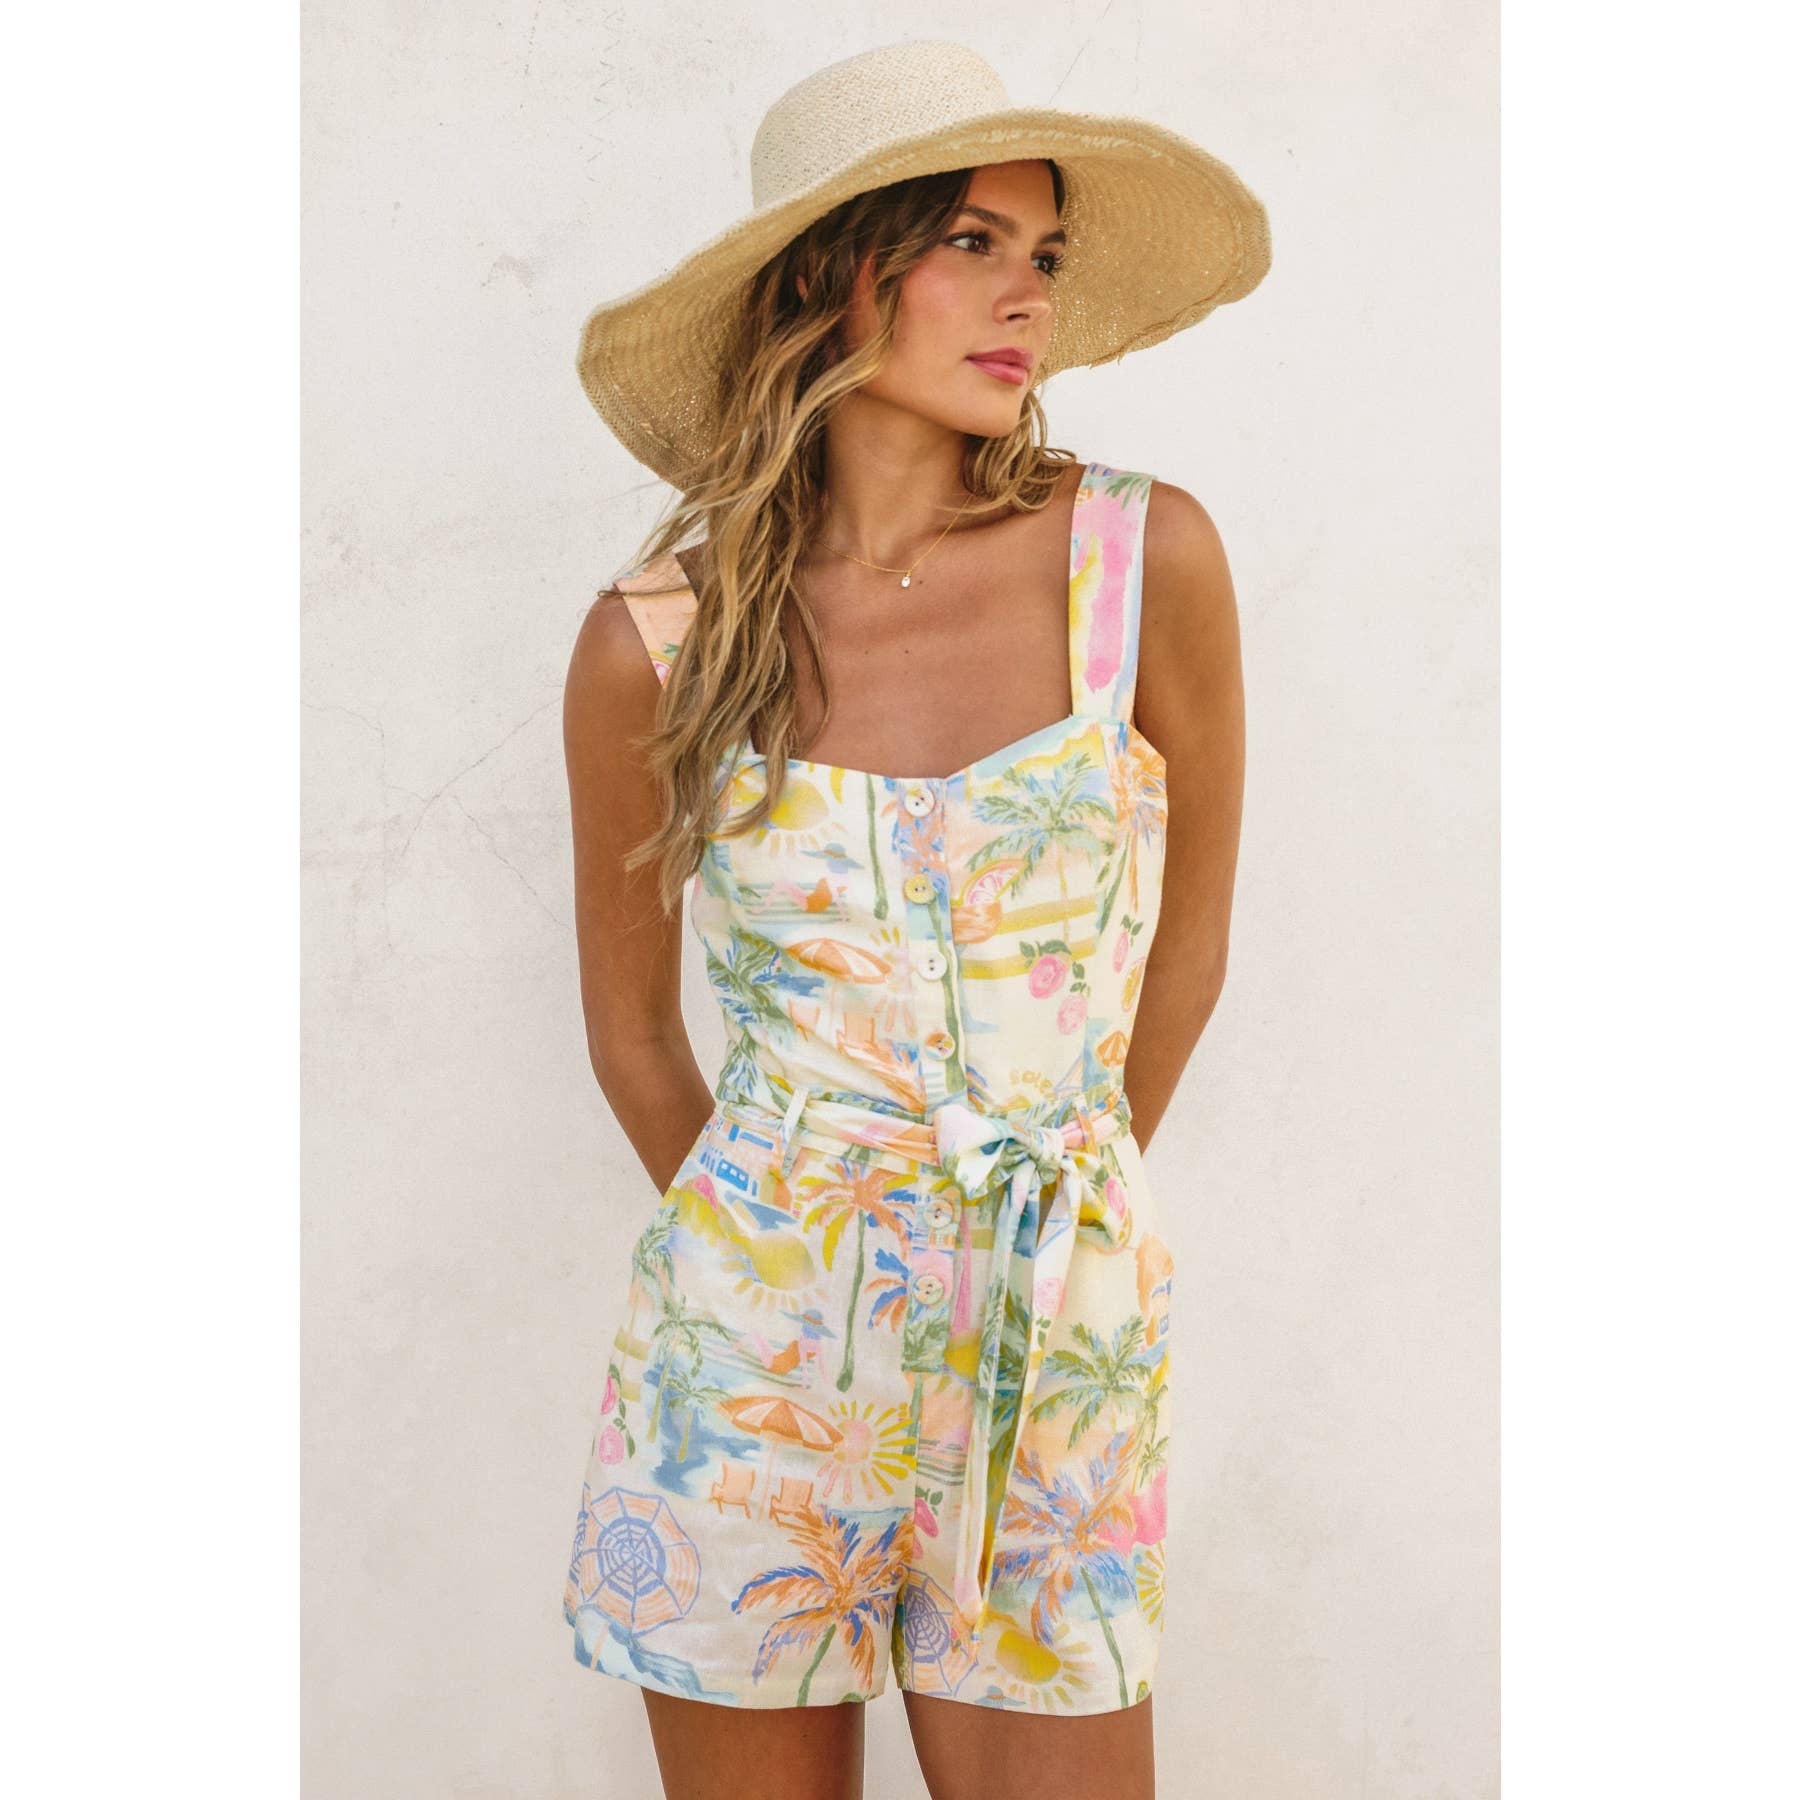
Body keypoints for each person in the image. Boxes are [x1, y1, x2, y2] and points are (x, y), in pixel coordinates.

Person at [557, 38, 1268, 1800]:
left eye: (1044, 253)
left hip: (1055, 1350)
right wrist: (791, 1256)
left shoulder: (1140, 562)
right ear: (829, 276)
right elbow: (634, 1035)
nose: (1029, 296)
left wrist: (1059, 1210)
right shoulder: (656, 638)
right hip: (752, 1365)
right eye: (971, 241)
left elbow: (1187, 954)